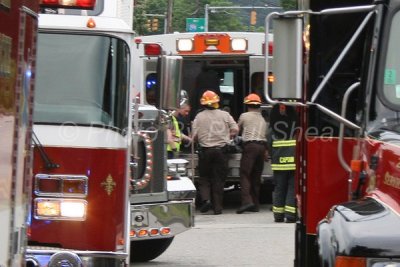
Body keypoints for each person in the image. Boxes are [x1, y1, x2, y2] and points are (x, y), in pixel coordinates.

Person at [192, 90, 239, 215]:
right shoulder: (225, 115)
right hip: (221, 152)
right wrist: (227, 136)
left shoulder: (199, 116)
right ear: (216, 102)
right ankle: (218, 208)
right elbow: (235, 129)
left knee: (204, 178)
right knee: (218, 180)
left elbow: (194, 137)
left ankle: (206, 200)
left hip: (205, 152)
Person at [236, 94, 268, 214]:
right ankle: (255, 204)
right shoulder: (262, 118)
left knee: (245, 174)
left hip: (250, 147)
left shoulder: (244, 116)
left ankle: (246, 202)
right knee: (256, 177)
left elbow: (236, 129)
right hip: (261, 147)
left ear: (247, 105)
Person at [268, 103, 299, 223]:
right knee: (292, 187)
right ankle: (290, 215)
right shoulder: (296, 129)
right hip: (293, 162)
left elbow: (269, 144)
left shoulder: (274, 130)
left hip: (279, 163)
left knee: (279, 188)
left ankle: (278, 215)